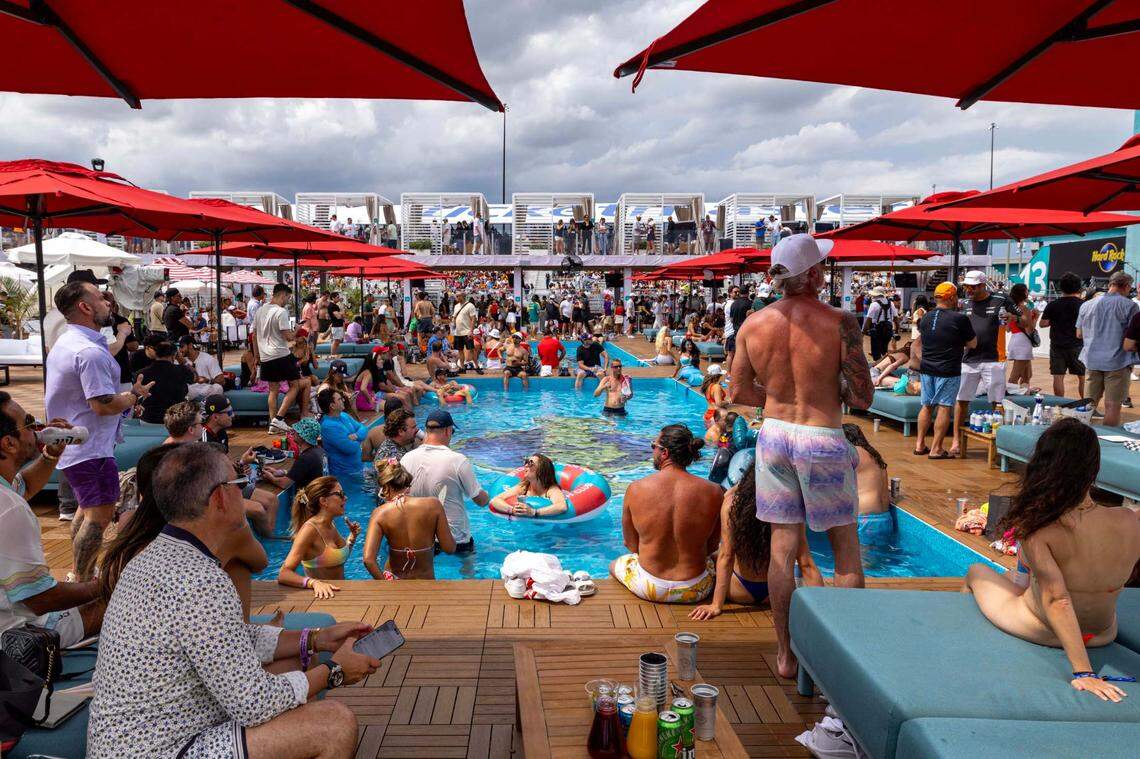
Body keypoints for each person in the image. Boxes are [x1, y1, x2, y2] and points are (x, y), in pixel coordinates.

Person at [87, 443, 379, 759]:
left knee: (290, 665)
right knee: (333, 723)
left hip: (138, 739)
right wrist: (335, 671)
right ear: (220, 498)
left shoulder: (161, 555)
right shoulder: (199, 579)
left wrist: (316, 639)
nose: (247, 493)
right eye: (240, 485)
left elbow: (225, 639)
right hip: (164, 749)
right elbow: (255, 704)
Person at [728, 234, 874, 678]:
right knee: (845, 548)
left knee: (782, 549)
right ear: (814, 275)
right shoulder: (840, 322)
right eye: (823, 268)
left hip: (773, 435)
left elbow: (737, 392)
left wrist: (776, 395)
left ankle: (785, 654)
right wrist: (831, 390)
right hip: (821, 436)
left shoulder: (754, 324)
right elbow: (864, 397)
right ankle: (841, 655)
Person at [964, 419, 1140, 702]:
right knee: (1019, 580)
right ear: (1094, 470)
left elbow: (1058, 600)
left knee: (977, 571)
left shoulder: (1043, 530)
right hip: (1102, 633)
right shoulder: (1130, 521)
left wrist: (1084, 673)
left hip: (1043, 630)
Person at [46, 281, 154, 581]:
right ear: (84, 306)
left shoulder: (70, 344)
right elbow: (103, 404)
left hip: (78, 445)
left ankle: (83, 573)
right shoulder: (87, 352)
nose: (108, 301)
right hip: (90, 448)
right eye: (101, 297)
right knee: (98, 517)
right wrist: (133, 397)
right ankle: (82, 581)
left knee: (86, 512)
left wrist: (129, 396)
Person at [98, 443, 268, 621]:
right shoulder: (211, 534)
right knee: (239, 565)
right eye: (238, 484)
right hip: (189, 632)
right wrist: (239, 523)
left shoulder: (130, 521)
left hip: (132, 626)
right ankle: (243, 631)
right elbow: (260, 562)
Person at [0, 393, 101, 645]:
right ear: (9, 444)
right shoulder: (11, 509)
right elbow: (42, 600)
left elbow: (22, 486)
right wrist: (104, 585)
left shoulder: (7, 495)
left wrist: (50, 454)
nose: (38, 429)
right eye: (29, 423)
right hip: (17, 634)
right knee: (122, 597)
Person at [689, 466, 822, 619]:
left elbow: (727, 556)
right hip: (776, 592)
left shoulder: (732, 506)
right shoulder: (789, 507)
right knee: (793, 563)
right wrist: (821, 611)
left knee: (715, 555)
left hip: (738, 590)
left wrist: (716, 605)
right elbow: (806, 563)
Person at [611, 425, 722, 603]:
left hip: (650, 587)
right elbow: (712, 546)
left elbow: (631, 545)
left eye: (653, 446)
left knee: (615, 564)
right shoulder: (715, 491)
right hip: (696, 588)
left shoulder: (636, 489)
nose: (652, 451)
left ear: (664, 453)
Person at [951, 271, 1027, 456]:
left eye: (974, 286)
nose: (969, 290)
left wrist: (1014, 319)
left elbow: (1024, 319)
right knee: (962, 399)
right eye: (967, 286)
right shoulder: (964, 303)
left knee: (997, 402)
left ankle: (999, 441)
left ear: (983, 285)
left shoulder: (1001, 299)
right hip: (969, 359)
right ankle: (955, 441)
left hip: (994, 359)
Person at [400, 409, 489, 553]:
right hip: (456, 538)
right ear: (448, 431)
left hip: (420, 538)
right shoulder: (457, 460)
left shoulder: (406, 459)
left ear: (426, 431)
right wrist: (489, 496)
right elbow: (480, 501)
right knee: (468, 571)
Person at [363, 459, 455, 579]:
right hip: (425, 582)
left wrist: (384, 585)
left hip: (393, 580)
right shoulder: (434, 505)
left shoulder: (380, 513)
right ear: (407, 484)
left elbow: (368, 560)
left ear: (385, 487)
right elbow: (450, 548)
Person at [915, 282, 977, 459]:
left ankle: (920, 444)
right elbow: (972, 343)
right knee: (944, 407)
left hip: (927, 367)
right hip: (948, 369)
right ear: (951, 297)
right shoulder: (959, 318)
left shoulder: (925, 318)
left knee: (926, 406)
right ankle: (936, 449)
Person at [277, 476, 360, 599]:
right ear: (324, 501)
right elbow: (284, 574)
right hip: (321, 598)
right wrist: (313, 583)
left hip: (339, 595)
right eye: (340, 494)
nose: (345, 498)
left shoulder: (330, 524)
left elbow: (337, 558)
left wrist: (352, 537)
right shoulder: (309, 530)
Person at [1076, 270, 1137, 428]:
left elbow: (1079, 334)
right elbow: (1132, 338)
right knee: (1113, 406)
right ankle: (1108, 441)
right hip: (1118, 362)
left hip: (1091, 360)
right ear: (1127, 286)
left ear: (1110, 284)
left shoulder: (1086, 305)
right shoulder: (1130, 306)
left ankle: (1080, 437)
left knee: (1087, 406)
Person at [255, 283, 306, 433]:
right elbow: (288, 336)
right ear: (282, 295)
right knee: (295, 385)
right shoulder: (281, 311)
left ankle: (273, 425)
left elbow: (254, 336)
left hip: (265, 356)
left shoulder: (260, 310)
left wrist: (257, 355)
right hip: (280, 354)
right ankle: (279, 418)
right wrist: (297, 329)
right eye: (287, 298)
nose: (287, 301)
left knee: (273, 390)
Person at [842, 423, 894, 544]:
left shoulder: (852, 452)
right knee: (877, 562)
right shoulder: (875, 456)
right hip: (885, 519)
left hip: (866, 520)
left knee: (860, 562)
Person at [317, 388, 384, 480]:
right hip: (346, 475)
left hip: (358, 469)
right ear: (332, 406)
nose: (343, 400)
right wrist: (361, 439)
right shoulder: (329, 426)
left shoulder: (344, 416)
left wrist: (356, 436)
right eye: (340, 399)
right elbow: (351, 448)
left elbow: (364, 428)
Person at [1041, 271, 1086, 399]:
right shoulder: (1083, 305)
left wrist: (1055, 320)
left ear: (1061, 287)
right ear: (1078, 287)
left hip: (1057, 345)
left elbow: (1043, 324)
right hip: (1078, 345)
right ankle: (1087, 405)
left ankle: (1059, 404)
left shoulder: (1053, 304)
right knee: (1083, 377)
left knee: (1058, 377)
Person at [490, 453, 569, 518]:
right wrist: (512, 510)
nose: (526, 465)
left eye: (530, 463)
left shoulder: (551, 489)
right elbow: (495, 500)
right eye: (526, 462)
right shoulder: (524, 487)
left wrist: (534, 512)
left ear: (541, 471)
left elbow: (562, 506)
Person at [261, 418, 328, 493]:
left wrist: (271, 478)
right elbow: (306, 472)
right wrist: (282, 472)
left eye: (296, 431)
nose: (292, 433)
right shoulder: (320, 450)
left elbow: (284, 483)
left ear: (302, 436)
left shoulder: (306, 457)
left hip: (310, 500)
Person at [1006, 283, 1039, 389]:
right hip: (1023, 343)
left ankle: (1022, 396)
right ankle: (1007, 399)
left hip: (1015, 340)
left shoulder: (1010, 308)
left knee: (1027, 375)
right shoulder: (1024, 309)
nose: (1028, 292)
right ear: (1023, 293)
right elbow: (1030, 329)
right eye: (1026, 291)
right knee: (1014, 377)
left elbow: (1008, 329)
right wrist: (1035, 318)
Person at [862, 286, 897, 362]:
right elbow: (896, 318)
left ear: (876, 295)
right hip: (888, 330)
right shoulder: (891, 303)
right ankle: (884, 366)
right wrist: (896, 331)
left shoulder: (874, 304)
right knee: (884, 350)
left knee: (876, 352)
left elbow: (868, 320)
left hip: (877, 331)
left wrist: (863, 333)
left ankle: (878, 368)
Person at [453, 292, 479, 368]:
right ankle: (462, 367)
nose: (457, 297)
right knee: (460, 350)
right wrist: (453, 324)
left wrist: (471, 331)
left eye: (458, 296)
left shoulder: (470, 305)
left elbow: (473, 319)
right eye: (456, 296)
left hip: (467, 331)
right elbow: (454, 317)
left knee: (471, 350)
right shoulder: (456, 306)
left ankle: (476, 366)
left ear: (463, 296)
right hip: (458, 332)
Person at [327, 291, 345, 356]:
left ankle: (333, 354)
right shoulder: (333, 306)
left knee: (337, 341)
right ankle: (332, 355)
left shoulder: (333, 305)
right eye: (337, 297)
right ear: (333, 298)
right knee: (336, 341)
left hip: (337, 325)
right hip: (336, 325)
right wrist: (342, 313)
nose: (338, 298)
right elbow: (338, 316)